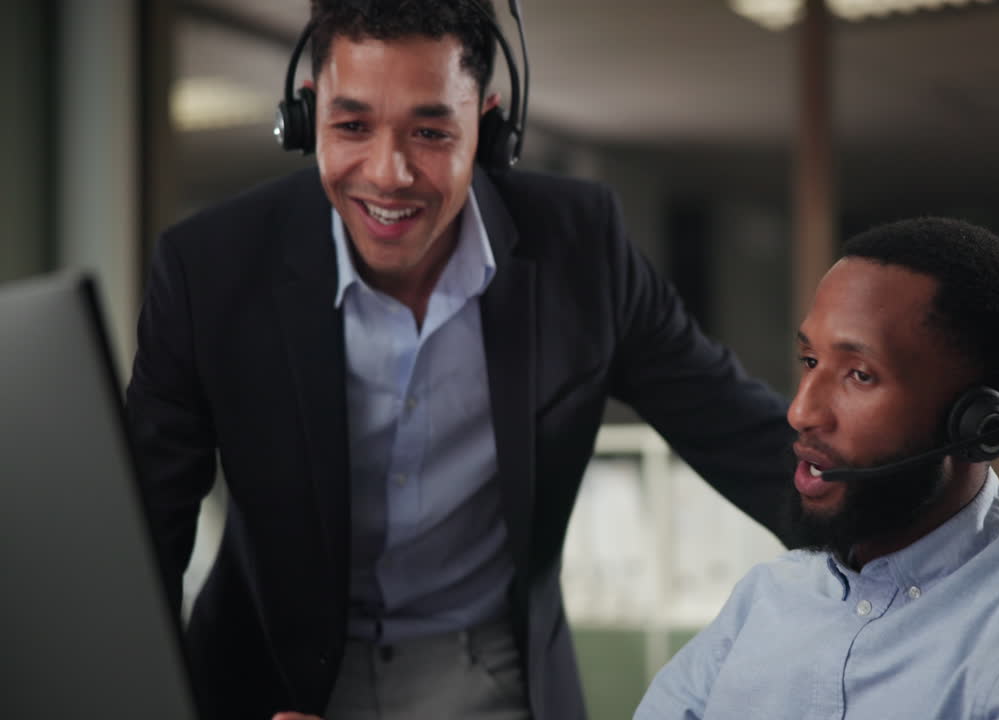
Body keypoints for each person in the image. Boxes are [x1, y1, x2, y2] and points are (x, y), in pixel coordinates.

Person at [124, 1, 793, 719]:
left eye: (431, 132)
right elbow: (141, 535)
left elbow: (745, 438)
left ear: (490, 127)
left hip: (489, 676)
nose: (389, 174)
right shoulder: (208, 269)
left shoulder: (582, 247)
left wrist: (883, 528)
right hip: (270, 682)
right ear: (307, 115)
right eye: (352, 126)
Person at [634, 217, 999, 719]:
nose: (800, 412)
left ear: (975, 424)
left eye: (860, 375)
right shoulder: (765, 598)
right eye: (811, 361)